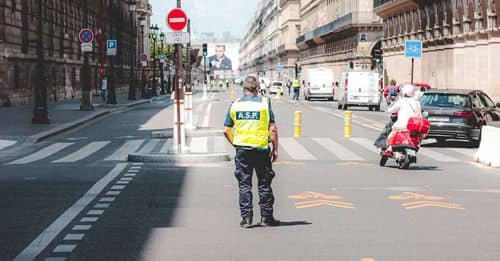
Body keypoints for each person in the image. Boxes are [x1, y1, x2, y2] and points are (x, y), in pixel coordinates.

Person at [223, 76, 280, 228]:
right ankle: (266, 218)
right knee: (264, 184)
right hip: (261, 150)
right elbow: (272, 129)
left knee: (244, 185)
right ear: (256, 89)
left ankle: (247, 218)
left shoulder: (235, 105)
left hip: (242, 150)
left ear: (244, 90)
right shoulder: (264, 103)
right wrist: (275, 149)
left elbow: (226, 130)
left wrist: (235, 142)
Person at [385, 83, 422, 151]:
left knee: (392, 135)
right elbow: (419, 115)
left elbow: (391, 110)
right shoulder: (417, 103)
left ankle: (389, 149)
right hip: (414, 126)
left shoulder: (401, 101)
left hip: (401, 125)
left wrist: (388, 108)